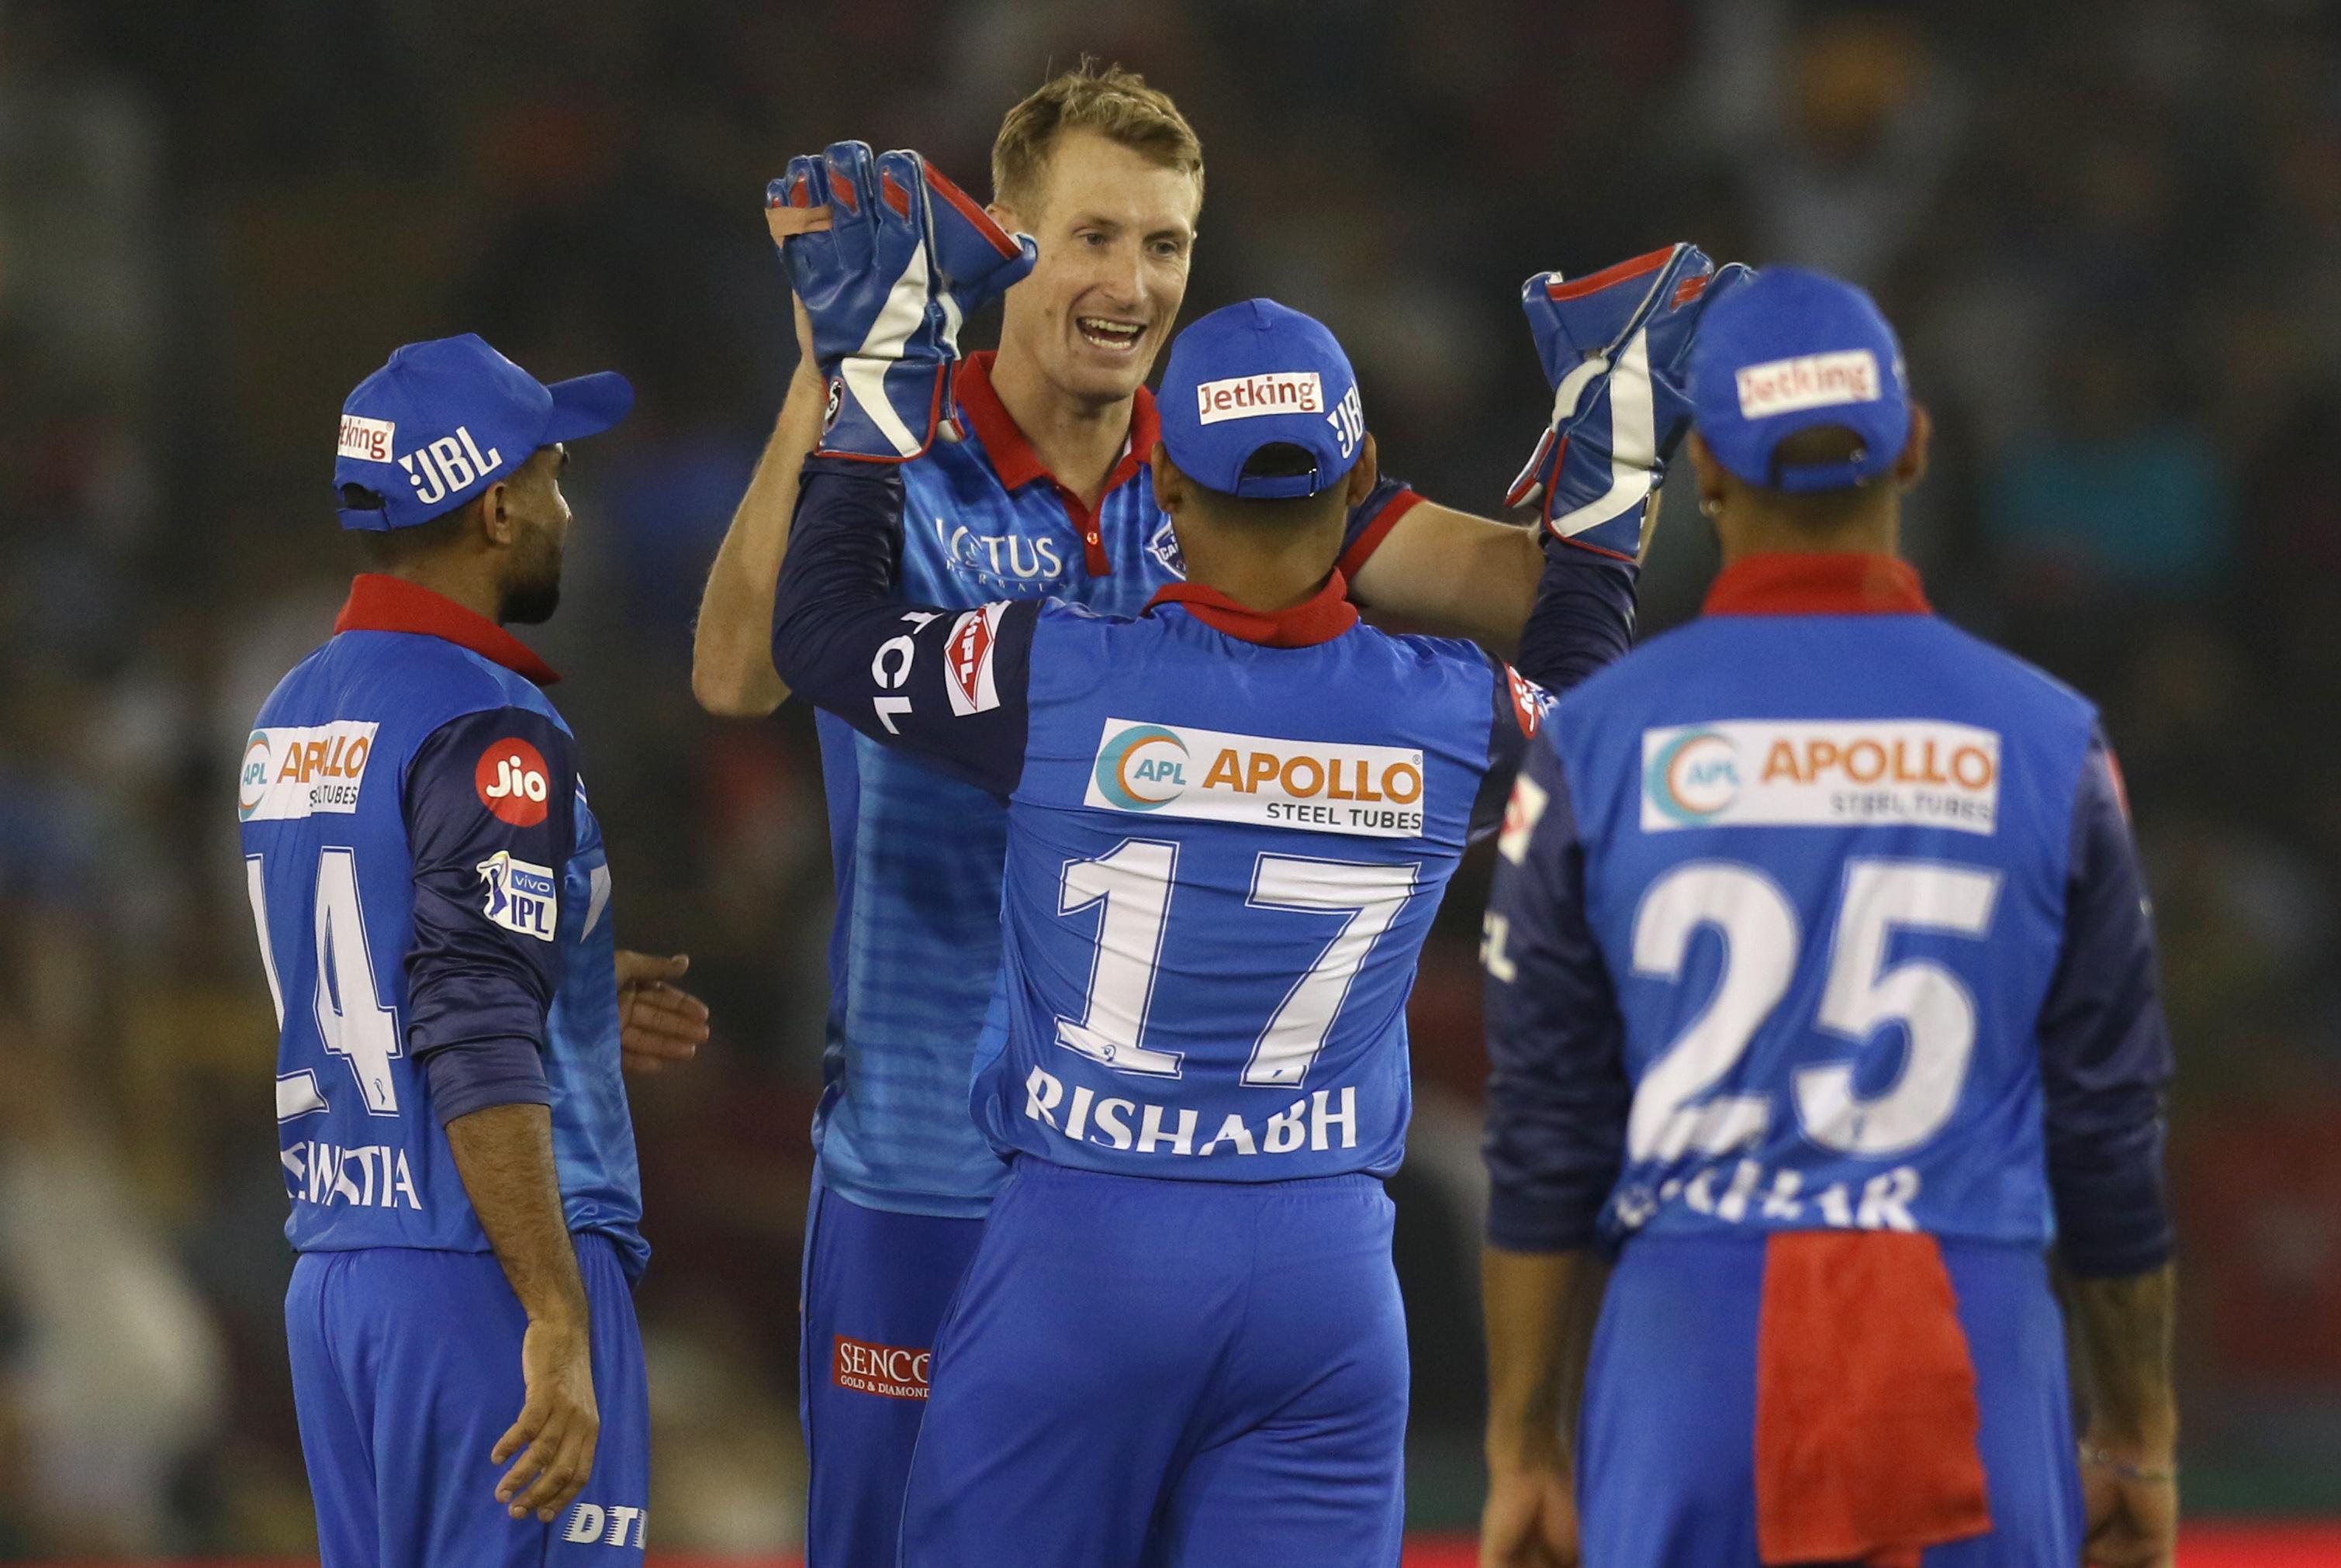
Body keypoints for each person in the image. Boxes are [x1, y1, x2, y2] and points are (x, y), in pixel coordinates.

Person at [690, 63, 1685, 1563]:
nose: (1132, 281)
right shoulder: (905, 446)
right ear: (1007, 239)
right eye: (1092, 236)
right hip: (926, 1156)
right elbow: (734, 673)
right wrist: (834, 377)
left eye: (1165, 244)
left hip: (1126, 1184)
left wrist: (1595, 485)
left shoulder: (1227, 462)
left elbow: (1517, 582)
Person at [1478, 268, 2178, 1568]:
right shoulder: (2050, 740)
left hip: (1692, 1350)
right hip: (1965, 1338)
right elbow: (2106, 1124)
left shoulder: (1597, 739)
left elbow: (1545, 1128)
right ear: (1911, 445)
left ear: (1705, 472)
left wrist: (1526, 1442)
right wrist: (2135, 1431)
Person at [240, 334, 710, 1567]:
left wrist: (568, 991)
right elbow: (468, 1015)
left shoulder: (293, 710)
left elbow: (387, 945)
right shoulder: (488, 720)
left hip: (339, 1272)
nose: (567, 511)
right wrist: (555, 1310)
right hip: (482, 1272)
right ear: (496, 507)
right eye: (553, 478)